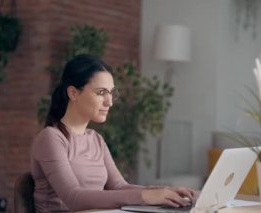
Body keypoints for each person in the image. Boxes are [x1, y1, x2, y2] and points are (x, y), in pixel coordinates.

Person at [30, 54, 197, 212]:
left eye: (111, 93)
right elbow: (74, 198)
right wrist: (145, 197)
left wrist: (165, 192)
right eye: (101, 92)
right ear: (73, 93)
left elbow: (119, 187)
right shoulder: (51, 138)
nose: (109, 102)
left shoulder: (96, 139)